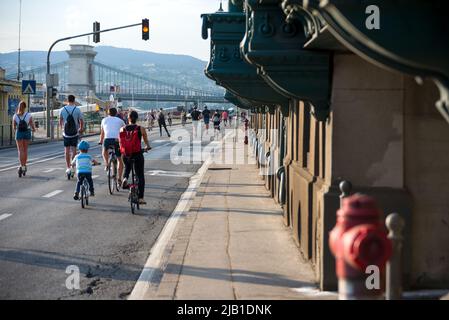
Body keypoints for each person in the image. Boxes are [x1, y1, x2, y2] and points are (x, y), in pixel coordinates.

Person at [120, 111, 152, 205]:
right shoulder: (140, 128)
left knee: (127, 167)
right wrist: (147, 147)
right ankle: (141, 198)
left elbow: (121, 143)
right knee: (140, 175)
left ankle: (125, 178)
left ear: (128, 118)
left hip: (126, 154)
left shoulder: (122, 129)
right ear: (136, 118)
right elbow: (146, 141)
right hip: (137, 154)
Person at [99, 107, 126, 185]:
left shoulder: (104, 120)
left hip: (107, 139)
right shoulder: (120, 121)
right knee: (120, 160)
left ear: (108, 113)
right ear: (116, 113)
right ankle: (119, 179)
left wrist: (100, 141)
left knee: (104, 152)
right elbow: (124, 130)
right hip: (117, 140)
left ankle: (107, 164)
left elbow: (102, 133)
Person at [59, 95, 84, 177]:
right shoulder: (77, 109)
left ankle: (68, 167)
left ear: (67, 100)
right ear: (74, 100)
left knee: (66, 151)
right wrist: (80, 128)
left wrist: (62, 129)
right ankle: (73, 167)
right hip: (75, 133)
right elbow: (81, 121)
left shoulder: (63, 109)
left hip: (66, 134)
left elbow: (60, 121)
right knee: (74, 151)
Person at [12, 101, 36, 177]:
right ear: (25, 107)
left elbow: (14, 127)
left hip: (19, 133)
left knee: (20, 150)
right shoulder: (28, 115)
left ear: (18, 107)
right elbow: (32, 125)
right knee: (25, 150)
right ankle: (24, 166)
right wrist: (34, 129)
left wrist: (16, 131)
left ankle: (21, 166)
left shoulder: (15, 116)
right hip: (27, 132)